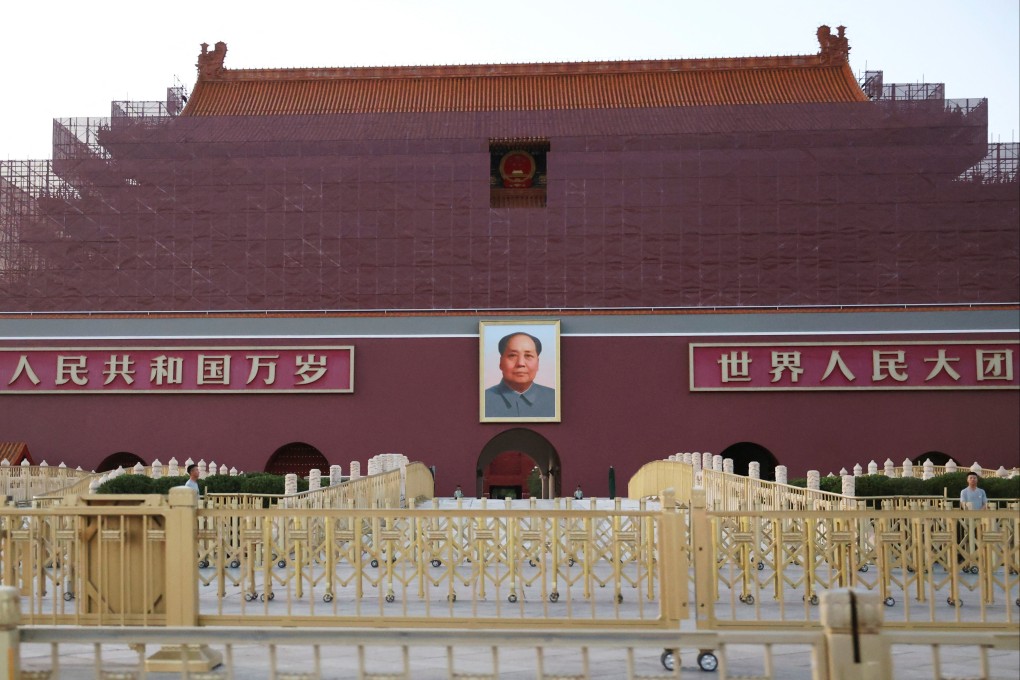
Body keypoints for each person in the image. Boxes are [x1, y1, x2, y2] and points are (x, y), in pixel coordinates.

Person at [484, 332, 556, 418]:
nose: (521, 363)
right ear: (501, 362)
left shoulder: (555, 399)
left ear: (538, 363)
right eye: (512, 355)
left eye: (528, 355)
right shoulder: (483, 400)